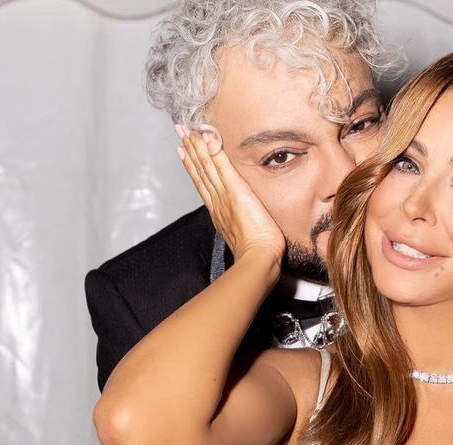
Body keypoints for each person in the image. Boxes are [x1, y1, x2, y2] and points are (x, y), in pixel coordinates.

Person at [94, 47, 453, 444]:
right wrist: (257, 257)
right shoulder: (307, 389)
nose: (415, 205)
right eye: (406, 163)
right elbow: (133, 424)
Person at [84, 0, 399, 391]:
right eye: (282, 156)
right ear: (212, 168)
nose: (347, 177)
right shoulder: (144, 298)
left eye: (360, 125)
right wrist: (258, 261)